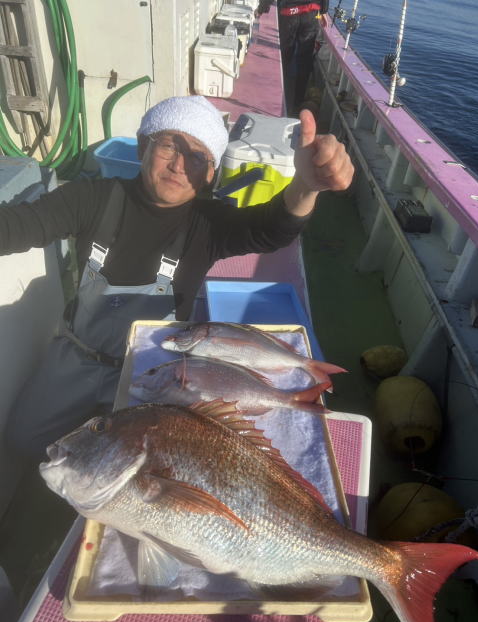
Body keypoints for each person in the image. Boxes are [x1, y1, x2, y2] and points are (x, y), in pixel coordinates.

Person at [0, 94, 353, 460]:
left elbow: (271, 229)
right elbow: (20, 225)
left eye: (198, 156)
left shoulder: (209, 224)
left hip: (160, 367)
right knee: (21, 439)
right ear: (143, 146)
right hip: (78, 356)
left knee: (145, 463)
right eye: (169, 145)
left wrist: (307, 185)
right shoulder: (88, 198)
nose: (179, 164)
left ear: (210, 173)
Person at [256, 1, 329, 115]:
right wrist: (323, 11)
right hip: (311, 13)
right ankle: (298, 102)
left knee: (284, 57)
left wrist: (262, 8)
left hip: (288, 13)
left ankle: (280, 95)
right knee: (304, 60)